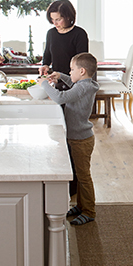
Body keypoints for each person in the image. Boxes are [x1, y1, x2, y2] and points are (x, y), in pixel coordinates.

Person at [38, 52, 99, 226]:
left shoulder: (83, 87)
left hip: (81, 139)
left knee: (83, 176)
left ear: (82, 71)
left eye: (71, 70)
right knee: (79, 175)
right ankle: (81, 206)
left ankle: (89, 211)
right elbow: (73, 84)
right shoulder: (85, 84)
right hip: (78, 137)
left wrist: (44, 84)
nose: (69, 72)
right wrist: (61, 75)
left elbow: (60, 98)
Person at [39, 0, 89, 77]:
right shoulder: (51, 33)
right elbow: (47, 55)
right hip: (56, 78)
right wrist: (45, 65)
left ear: (68, 17)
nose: (54, 23)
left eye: (58, 20)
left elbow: (82, 63)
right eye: (52, 19)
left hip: (74, 79)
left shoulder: (79, 34)